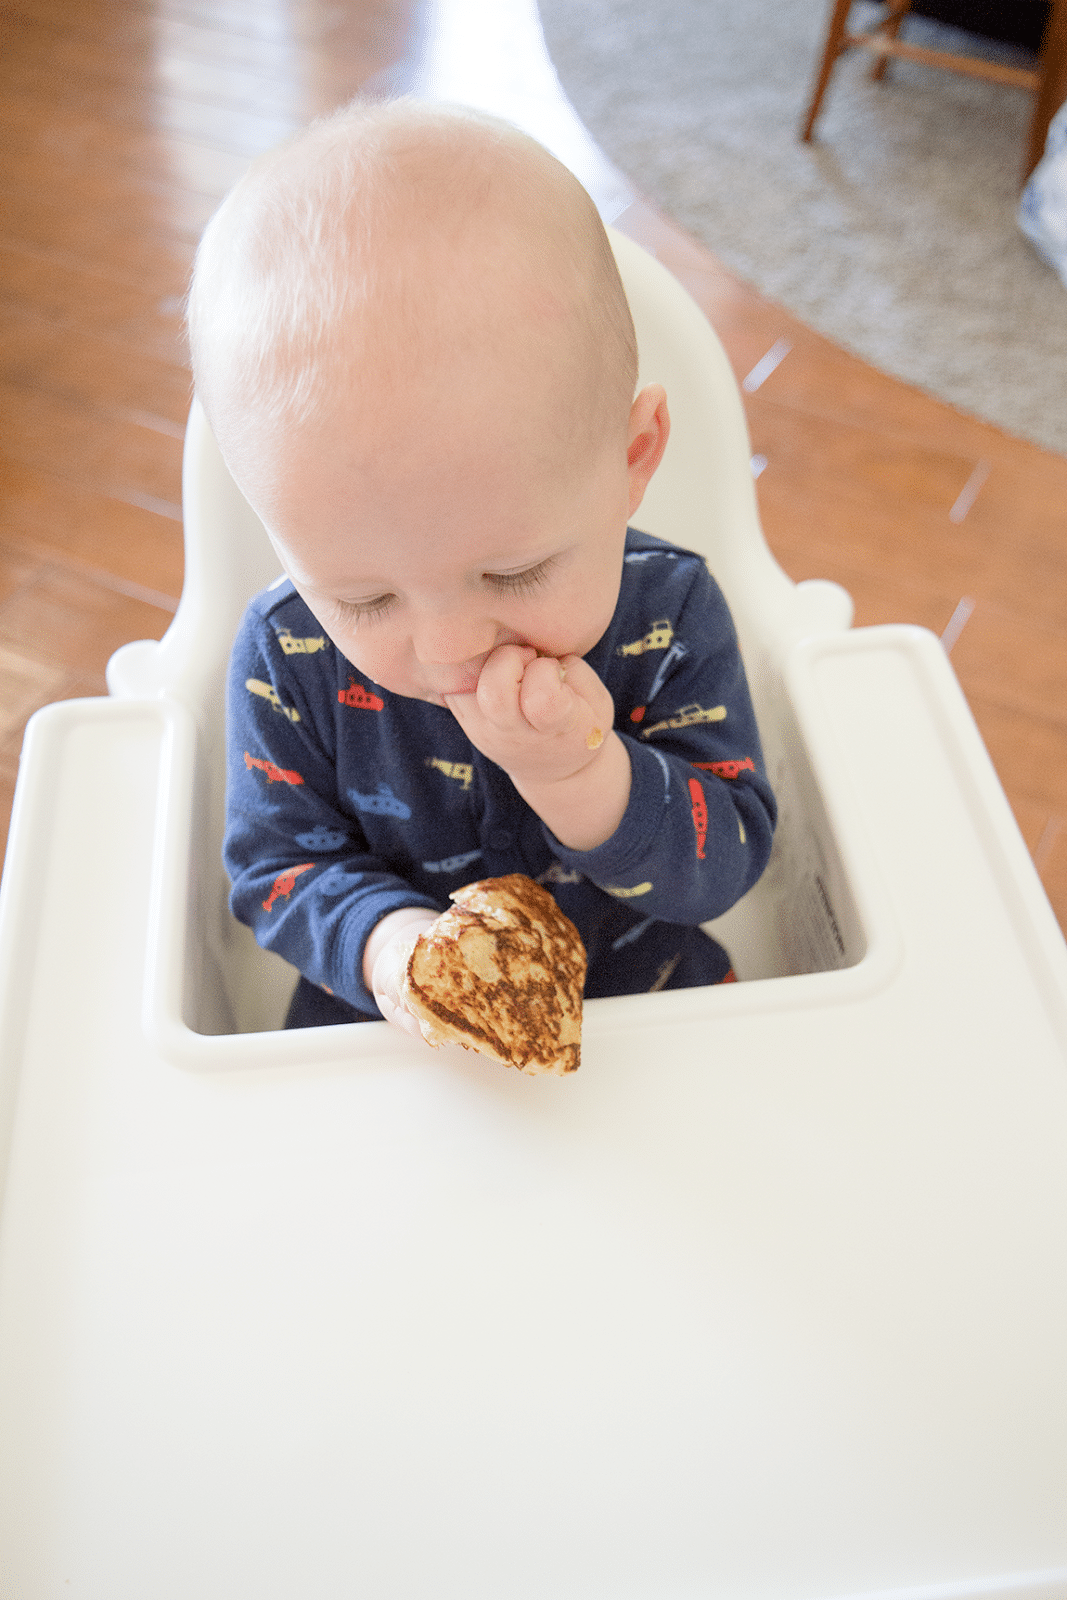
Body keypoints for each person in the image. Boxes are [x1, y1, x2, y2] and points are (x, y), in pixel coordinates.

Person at [186, 96, 777, 1038]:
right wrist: (396, 950)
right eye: (365, 595)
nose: (448, 646)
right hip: (392, 1039)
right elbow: (277, 873)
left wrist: (583, 779)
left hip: (649, 1022)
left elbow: (732, 860)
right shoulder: (288, 649)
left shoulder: (669, 613)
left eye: (513, 573)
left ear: (631, 459)